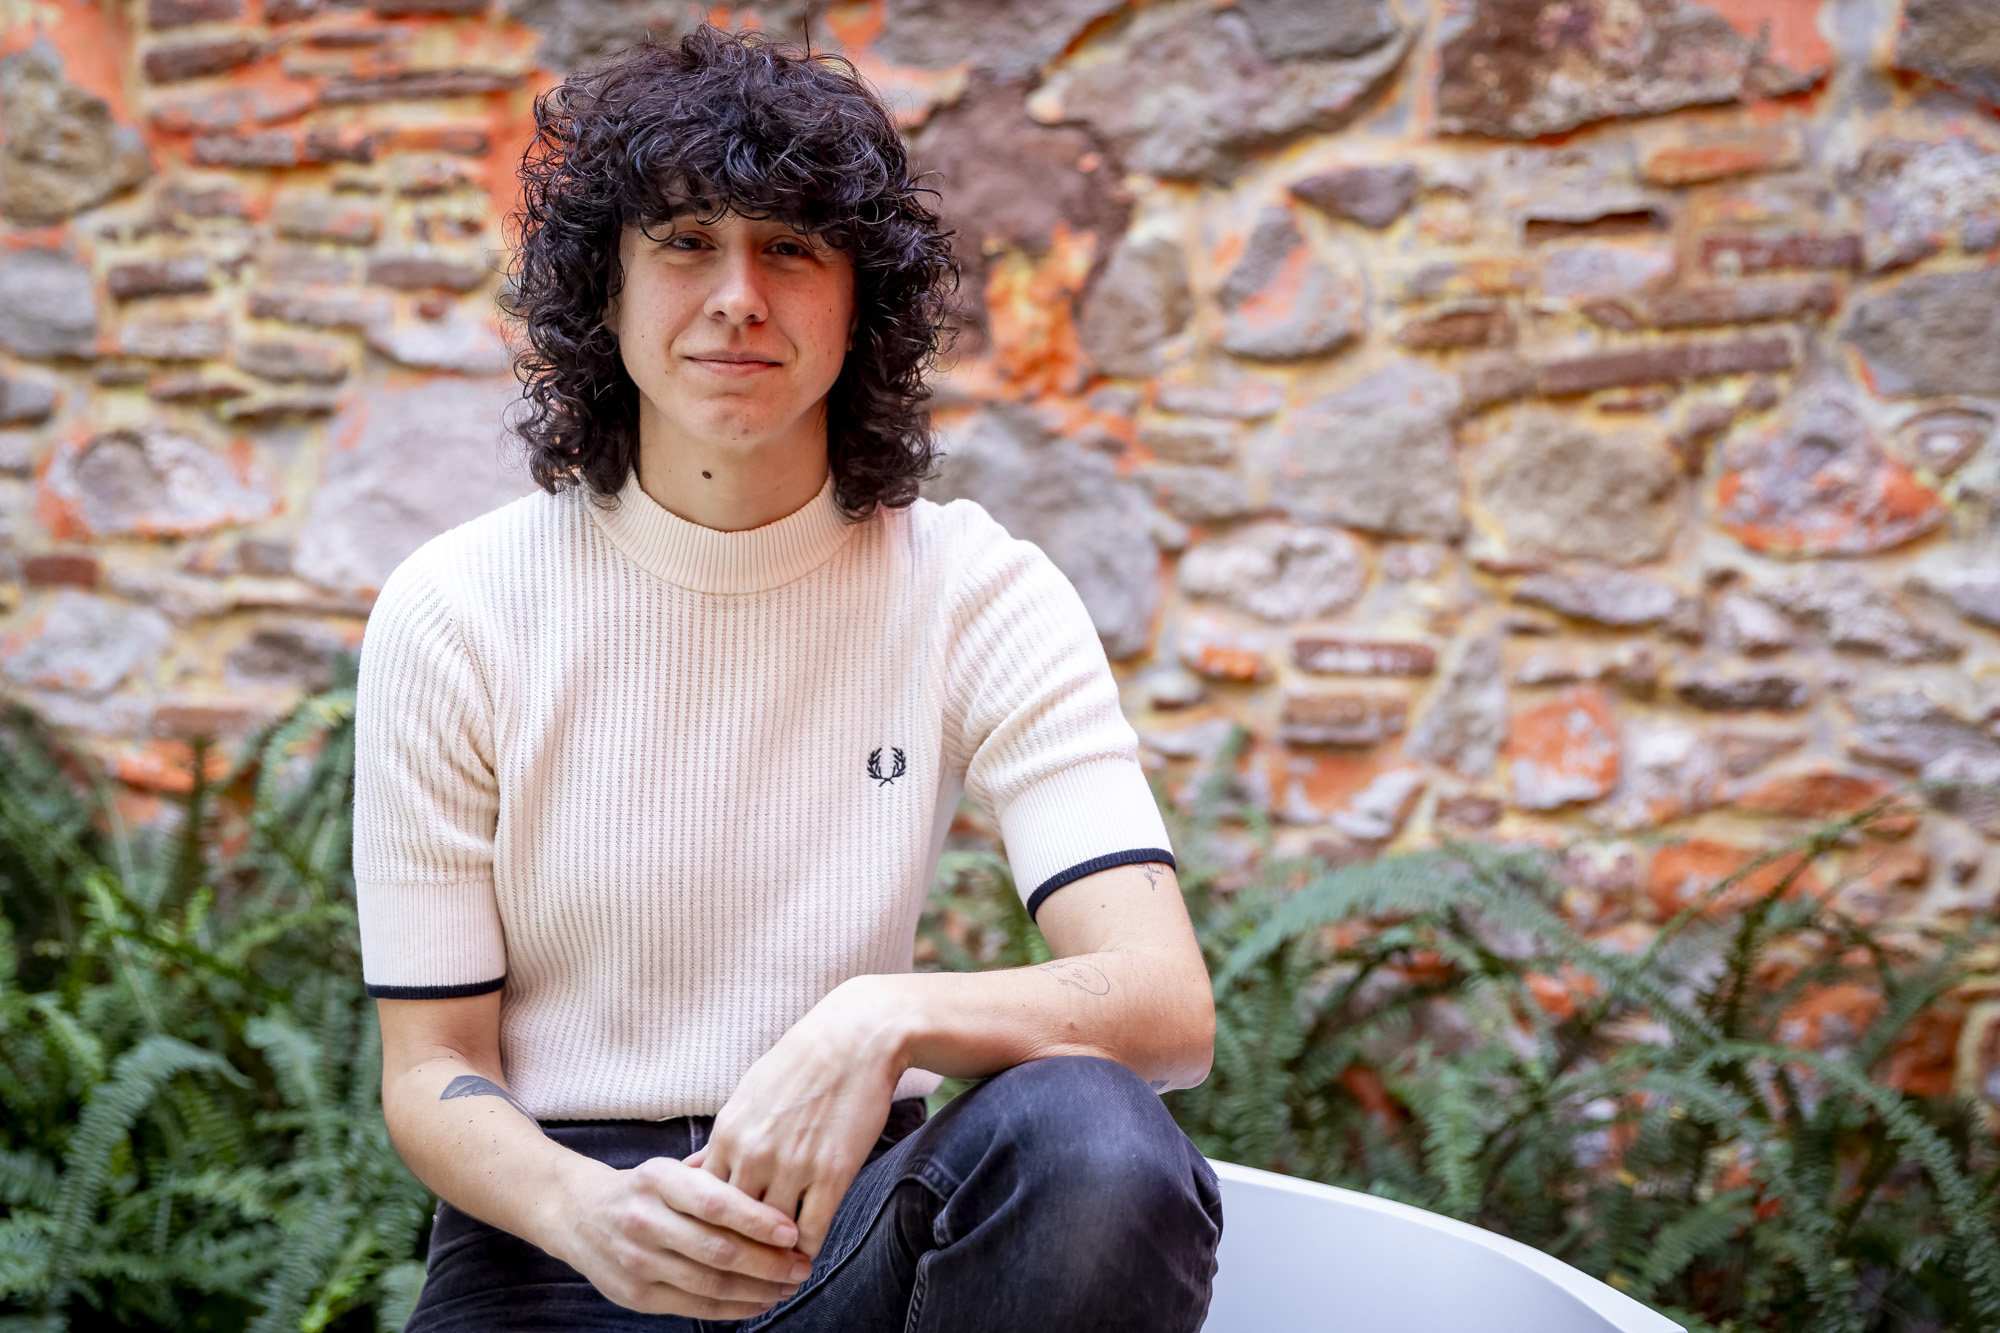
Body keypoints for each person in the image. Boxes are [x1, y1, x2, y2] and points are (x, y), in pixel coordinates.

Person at [354, 24, 1221, 1333]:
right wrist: (584, 1210)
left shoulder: (975, 592)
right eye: (685, 241)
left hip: (847, 1235)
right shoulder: (457, 609)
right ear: (604, 291)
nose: (738, 296)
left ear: (859, 301)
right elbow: (432, 1071)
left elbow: (1163, 1005)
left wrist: (884, 1017)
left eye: (792, 248)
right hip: (555, 1251)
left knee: (1094, 1134)